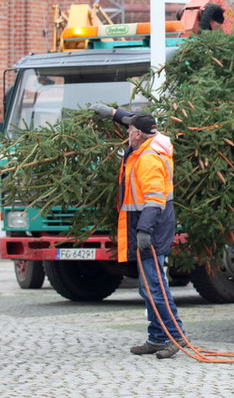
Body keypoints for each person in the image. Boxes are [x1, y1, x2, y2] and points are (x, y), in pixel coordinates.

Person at [92, 104, 187, 359]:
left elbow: (154, 199)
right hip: (154, 226)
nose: (127, 131)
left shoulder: (147, 159)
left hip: (151, 229)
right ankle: (157, 338)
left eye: (130, 129)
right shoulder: (156, 139)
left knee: (155, 286)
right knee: (148, 287)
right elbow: (133, 120)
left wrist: (144, 230)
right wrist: (113, 113)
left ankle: (176, 336)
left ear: (137, 135)